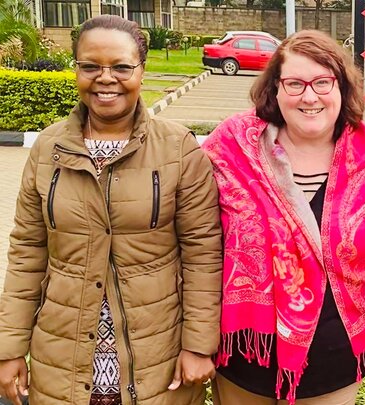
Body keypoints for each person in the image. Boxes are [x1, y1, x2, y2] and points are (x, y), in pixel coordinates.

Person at [0, 15, 222, 405]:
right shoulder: (48, 149)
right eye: (90, 66)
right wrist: (10, 346)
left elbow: (203, 254)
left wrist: (199, 345)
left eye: (121, 66)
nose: (105, 78)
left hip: (155, 356)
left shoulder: (177, 149)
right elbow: (26, 253)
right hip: (62, 354)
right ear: (77, 69)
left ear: (141, 69)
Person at [202, 29, 365, 405]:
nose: (309, 96)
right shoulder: (230, 147)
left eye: (323, 82)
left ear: (342, 88)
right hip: (246, 353)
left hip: (334, 358)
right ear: (275, 89)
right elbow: (193, 231)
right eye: (295, 83)